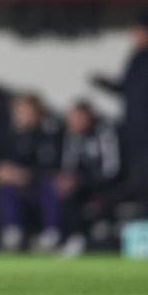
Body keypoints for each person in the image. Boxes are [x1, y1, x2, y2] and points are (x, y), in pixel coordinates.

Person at [91, 13, 148, 213]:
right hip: (134, 132)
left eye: (138, 31)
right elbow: (127, 89)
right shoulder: (136, 57)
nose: (134, 36)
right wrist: (106, 84)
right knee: (138, 180)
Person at [0, 93, 62, 251]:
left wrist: (26, 175)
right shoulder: (6, 137)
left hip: (38, 188)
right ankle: (11, 233)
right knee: (4, 188)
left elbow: (50, 166)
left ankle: (50, 233)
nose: (23, 116)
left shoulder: (47, 137)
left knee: (49, 185)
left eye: (28, 112)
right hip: (14, 188)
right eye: (20, 112)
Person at [55, 101, 121, 256]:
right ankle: (70, 237)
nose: (74, 123)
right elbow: (69, 165)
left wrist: (83, 180)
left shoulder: (105, 132)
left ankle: (100, 237)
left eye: (78, 118)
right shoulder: (72, 136)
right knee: (64, 193)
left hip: (107, 182)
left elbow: (111, 168)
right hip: (83, 183)